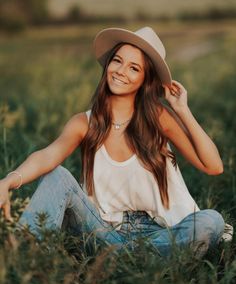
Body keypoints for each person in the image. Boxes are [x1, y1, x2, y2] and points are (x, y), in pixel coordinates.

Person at [0, 27, 232, 257]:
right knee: (56, 175)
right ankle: (25, 255)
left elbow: (213, 166)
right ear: (108, 65)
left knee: (211, 220)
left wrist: (182, 110)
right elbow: (48, 155)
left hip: (161, 233)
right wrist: (8, 181)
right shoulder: (84, 123)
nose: (121, 71)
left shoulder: (159, 118)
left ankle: (122, 259)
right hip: (102, 232)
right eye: (117, 61)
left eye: (134, 68)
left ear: (145, 79)